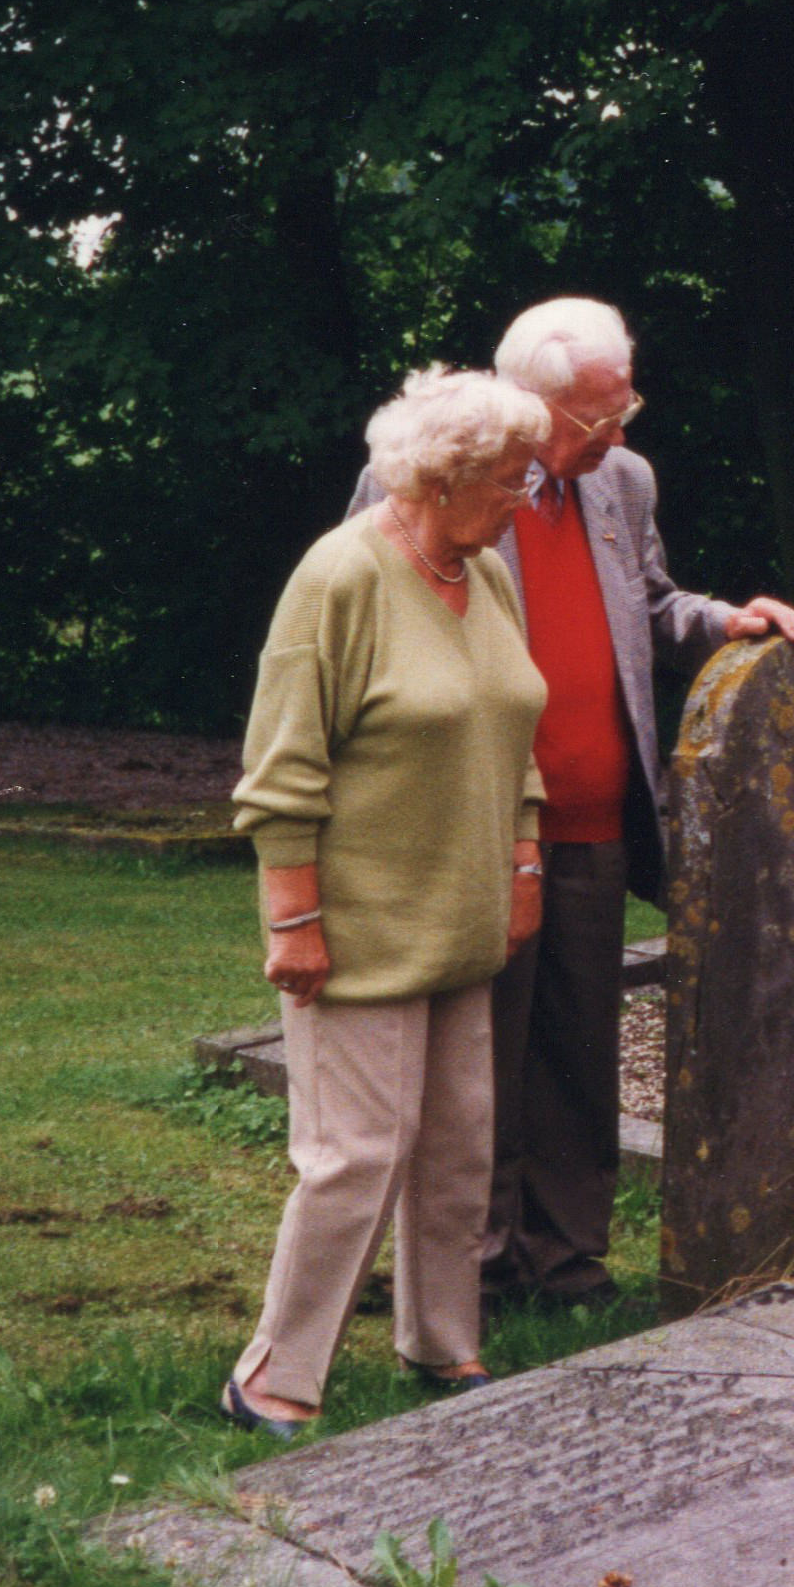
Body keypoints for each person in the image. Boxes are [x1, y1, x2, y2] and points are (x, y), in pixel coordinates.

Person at [352, 298, 794, 1311]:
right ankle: (470, 1264)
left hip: (596, 819)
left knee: (578, 1053)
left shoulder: (621, 480)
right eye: (598, 415)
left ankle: (567, 1259)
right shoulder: (436, 473)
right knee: (478, 1058)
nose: (618, 432)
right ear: (528, 403)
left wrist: (724, 620)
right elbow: (374, 625)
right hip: (476, 825)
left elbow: (645, 602)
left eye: (624, 408)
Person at [223, 367, 553, 1435]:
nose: (524, 498)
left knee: (458, 1149)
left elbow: (517, 733)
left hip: (464, 916)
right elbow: (281, 771)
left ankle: (443, 1341)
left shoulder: (486, 573)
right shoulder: (340, 576)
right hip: (358, 924)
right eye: (509, 480)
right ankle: (272, 1375)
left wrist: (524, 864)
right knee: (354, 1156)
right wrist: (293, 921)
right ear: (442, 478)